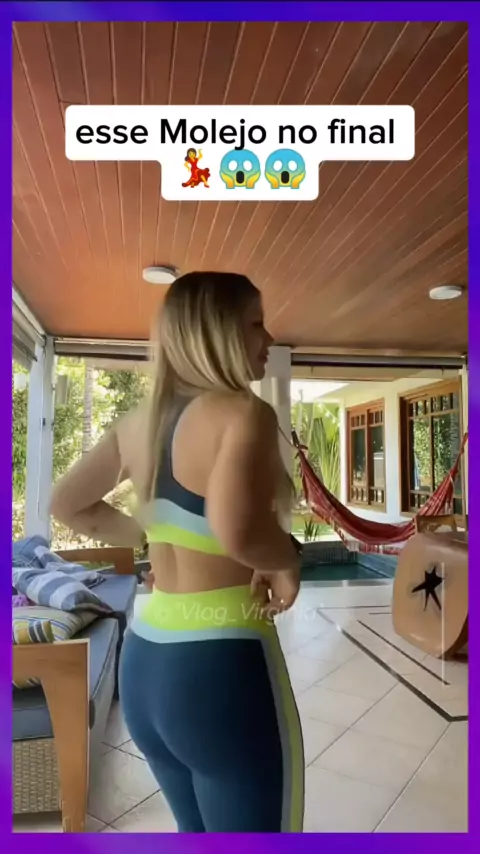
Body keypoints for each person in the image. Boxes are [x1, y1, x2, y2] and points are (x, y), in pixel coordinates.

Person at [50, 271, 304, 833]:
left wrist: (148, 538)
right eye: (256, 324)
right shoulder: (243, 413)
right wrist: (286, 559)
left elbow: (67, 503)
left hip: (147, 663)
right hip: (220, 666)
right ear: (216, 333)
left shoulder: (137, 424)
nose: (269, 338)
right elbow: (236, 530)